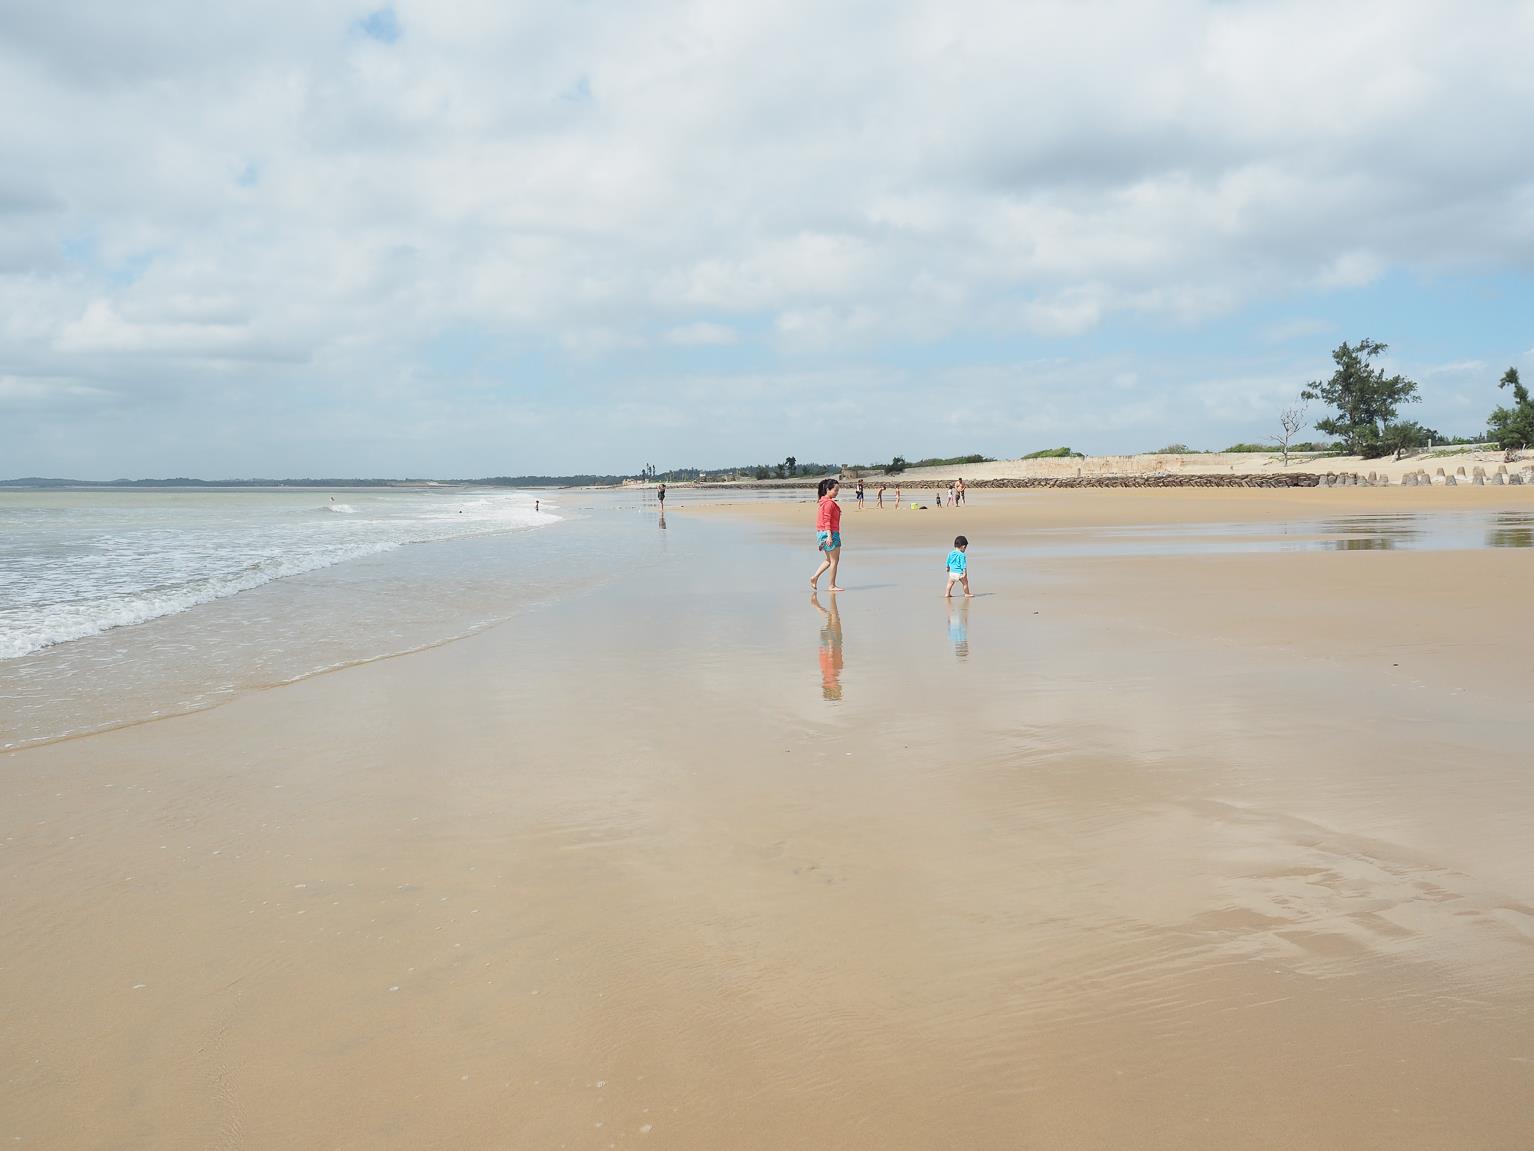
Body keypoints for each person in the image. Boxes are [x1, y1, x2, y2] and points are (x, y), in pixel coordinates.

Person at [810, 478, 844, 592]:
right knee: (834, 561)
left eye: (838, 490)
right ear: (828, 489)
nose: (837, 492)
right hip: (830, 533)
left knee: (829, 560)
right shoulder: (829, 503)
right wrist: (829, 535)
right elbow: (827, 520)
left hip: (822, 533)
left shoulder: (823, 502)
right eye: (835, 490)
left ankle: (815, 577)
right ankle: (831, 585)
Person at [811, 591, 844, 701]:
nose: (840, 688)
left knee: (835, 618)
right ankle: (819, 606)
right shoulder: (826, 675)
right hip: (826, 646)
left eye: (838, 690)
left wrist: (830, 646)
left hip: (832, 645)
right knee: (833, 618)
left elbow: (831, 659)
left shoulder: (831, 675)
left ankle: (819, 606)